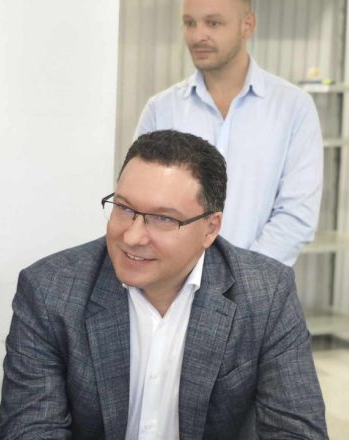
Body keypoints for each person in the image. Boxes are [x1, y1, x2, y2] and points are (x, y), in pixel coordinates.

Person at [0, 130, 327, 439]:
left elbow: (297, 431)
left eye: (164, 218)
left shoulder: (266, 293)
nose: (133, 237)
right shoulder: (50, 290)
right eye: (124, 208)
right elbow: (31, 429)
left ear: (211, 228)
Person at [134, 0, 323, 266]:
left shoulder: (293, 108)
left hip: (255, 282)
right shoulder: (161, 109)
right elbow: (140, 203)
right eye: (190, 23)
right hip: (171, 281)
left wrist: (242, 278)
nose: (198, 35)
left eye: (213, 23)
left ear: (247, 25)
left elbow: (296, 216)